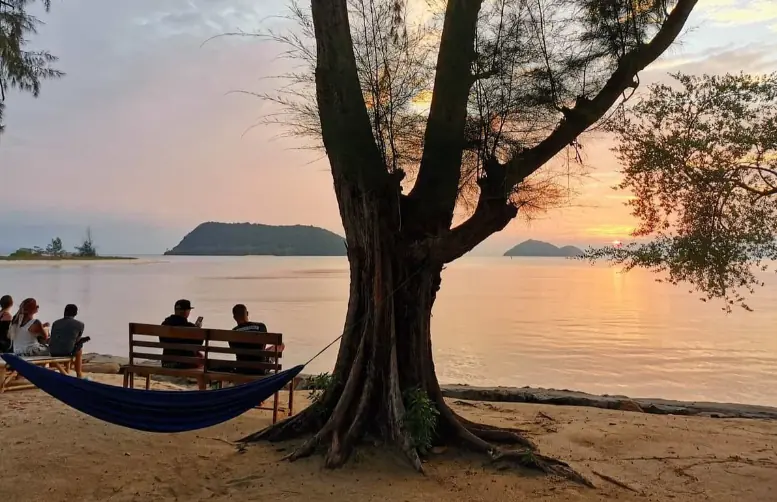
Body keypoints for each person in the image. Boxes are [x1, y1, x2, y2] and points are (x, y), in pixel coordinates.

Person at [230, 304, 284, 375]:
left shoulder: (233, 332)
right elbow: (263, 347)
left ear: (234, 317)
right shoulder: (261, 326)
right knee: (281, 345)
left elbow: (235, 351)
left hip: (241, 369)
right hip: (260, 368)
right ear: (247, 313)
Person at [49, 304, 90, 378]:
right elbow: (76, 340)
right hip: (67, 351)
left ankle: (64, 371)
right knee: (79, 349)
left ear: (64, 312)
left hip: (52, 351)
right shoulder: (80, 324)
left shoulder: (56, 323)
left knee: (64, 343)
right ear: (75, 313)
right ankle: (79, 373)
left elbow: (54, 337)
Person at [160, 299, 203, 369]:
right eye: (189, 310)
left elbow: (162, 341)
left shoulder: (164, 325)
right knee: (201, 358)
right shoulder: (190, 327)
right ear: (186, 311)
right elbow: (198, 345)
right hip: (184, 364)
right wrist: (198, 330)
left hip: (166, 363)